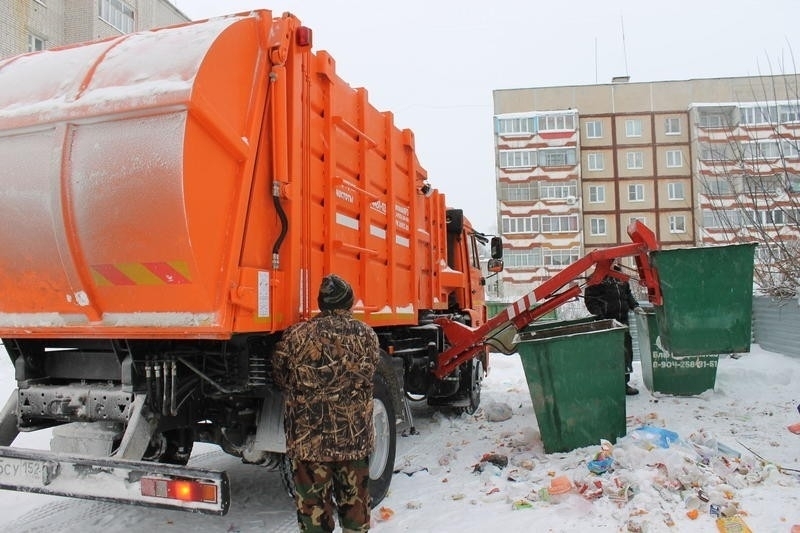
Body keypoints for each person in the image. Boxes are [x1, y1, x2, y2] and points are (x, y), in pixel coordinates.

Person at [273, 274, 380, 532]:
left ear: (321, 303)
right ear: (349, 302)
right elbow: (369, 373)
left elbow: (281, 376)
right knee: (356, 516)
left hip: (309, 444)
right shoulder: (367, 336)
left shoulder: (296, 336)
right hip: (354, 443)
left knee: (313, 520)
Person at [584, 264, 641, 395]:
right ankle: (609, 384)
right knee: (609, 354)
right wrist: (600, 316)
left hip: (623, 321)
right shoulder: (597, 278)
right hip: (608, 323)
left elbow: (628, 295)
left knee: (626, 353)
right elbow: (590, 299)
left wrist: (635, 306)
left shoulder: (620, 277)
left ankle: (624, 384)